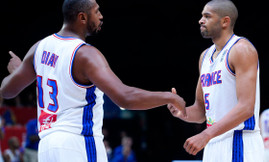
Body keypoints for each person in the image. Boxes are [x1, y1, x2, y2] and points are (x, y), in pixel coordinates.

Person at [0, 0, 186, 162]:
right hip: (78, 142)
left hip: (48, 146)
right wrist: (169, 97)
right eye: (96, 11)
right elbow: (125, 97)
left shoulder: (39, 47)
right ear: (82, 17)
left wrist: (15, 72)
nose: (101, 16)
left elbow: (7, 90)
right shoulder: (86, 54)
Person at [167, 0, 264, 161]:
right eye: (201, 16)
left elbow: (247, 107)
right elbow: (200, 112)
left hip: (239, 141)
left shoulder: (241, 49)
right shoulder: (204, 56)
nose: (200, 20)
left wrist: (205, 134)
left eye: (207, 16)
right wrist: (182, 112)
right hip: (213, 142)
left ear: (225, 21)